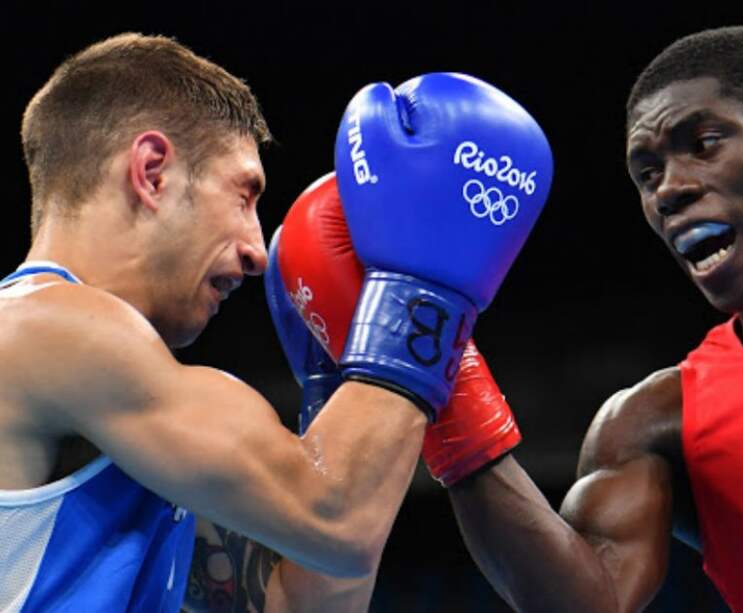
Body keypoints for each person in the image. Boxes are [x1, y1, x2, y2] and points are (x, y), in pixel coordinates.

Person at [0, 33, 552, 612]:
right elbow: (336, 521)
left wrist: (335, 397)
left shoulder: (131, 420)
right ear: (153, 171)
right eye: (244, 196)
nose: (257, 251)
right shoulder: (46, 328)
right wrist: (419, 297)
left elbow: (311, 596)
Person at [408, 26, 743, 612]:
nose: (668, 191)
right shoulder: (655, 421)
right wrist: (441, 378)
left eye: (702, 144)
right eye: (647, 175)